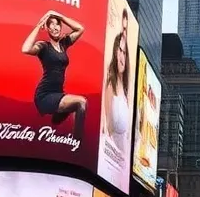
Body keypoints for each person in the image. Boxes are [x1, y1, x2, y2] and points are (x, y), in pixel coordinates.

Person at [22, 10, 88, 139]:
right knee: (81, 103)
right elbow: (25, 49)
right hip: (45, 94)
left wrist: (61, 16)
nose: (55, 27)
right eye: (51, 25)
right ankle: (77, 143)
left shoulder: (64, 44)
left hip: (58, 93)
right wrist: (38, 25)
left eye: (57, 24)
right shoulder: (44, 46)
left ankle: (60, 123)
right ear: (47, 29)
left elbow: (80, 29)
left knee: (78, 107)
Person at [102, 31, 132, 152]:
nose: (121, 57)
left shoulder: (126, 91)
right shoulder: (110, 85)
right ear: (115, 52)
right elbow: (107, 126)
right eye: (119, 50)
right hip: (111, 159)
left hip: (123, 161)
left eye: (124, 53)